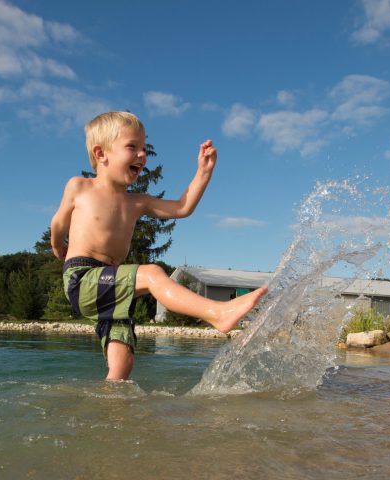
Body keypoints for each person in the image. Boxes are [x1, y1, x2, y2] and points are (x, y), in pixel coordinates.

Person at [50, 111, 267, 380]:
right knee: (152, 273)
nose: (142, 155)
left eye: (144, 149)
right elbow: (59, 221)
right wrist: (57, 244)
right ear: (101, 154)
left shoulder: (137, 202)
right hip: (84, 278)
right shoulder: (80, 186)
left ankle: (111, 408)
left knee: (122, 364)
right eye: (132, 147)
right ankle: (217, 313)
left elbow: (182, 207)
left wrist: (203, 173)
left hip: (115, 289)